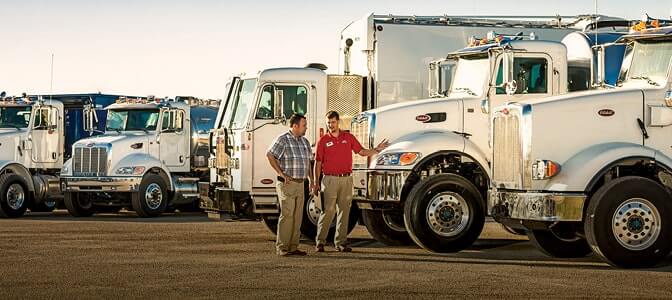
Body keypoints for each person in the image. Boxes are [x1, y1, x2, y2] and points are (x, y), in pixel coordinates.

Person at [313, 111, 389, 252]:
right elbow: (317, 163)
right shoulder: (323, 141)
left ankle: (341, 243)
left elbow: (361, 152)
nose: (331, 125)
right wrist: (316, 183)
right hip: (329, 180)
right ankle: (320, 242)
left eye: (333, 122)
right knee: (328, 211)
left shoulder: (348, 137)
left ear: (338, 122)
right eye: (329, 123)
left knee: (344, 212)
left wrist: (377, 149)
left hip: (346, 179)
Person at [266, 114, 315, 256]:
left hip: (300, 184)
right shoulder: (283, 139)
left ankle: (293, 247)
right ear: (295, 126)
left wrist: (311, 180)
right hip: (287, 184)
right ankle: (282, 247)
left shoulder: (305, 142)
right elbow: (270, 155)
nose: (306, 127)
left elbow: (309, 163)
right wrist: (281, 173)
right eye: (304, 125)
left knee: (297, 216)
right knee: (287, 215)